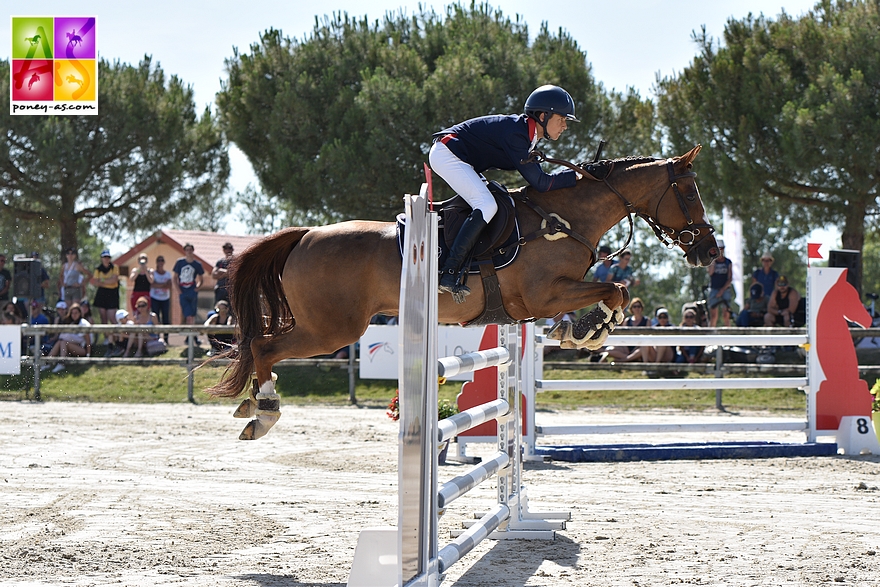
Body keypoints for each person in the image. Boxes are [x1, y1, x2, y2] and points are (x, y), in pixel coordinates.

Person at [428, 84, 582, 300]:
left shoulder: (527, 136)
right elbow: (541, 183)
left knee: (494, 202)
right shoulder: (517, 135)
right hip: (448, 154)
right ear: (543, 116)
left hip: (459, 157)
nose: (565, 126)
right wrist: (575, 175)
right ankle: (449, 272)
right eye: (562, 119)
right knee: (487, 205)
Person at [42, 303, 91, 373]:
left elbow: (88, 341)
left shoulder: (83, 323)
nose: (74, 315)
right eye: (72, 313)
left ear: (80, 313)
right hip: (73, 347)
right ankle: (48, 362)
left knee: (63, 342)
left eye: (76, 313)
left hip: (83, 350)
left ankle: (61, 363)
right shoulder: (72, 323)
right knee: (61, 342)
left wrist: (88, 355)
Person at [91, 250, 120, 351]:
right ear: (101, 258)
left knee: (112, 318)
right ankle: (107, 339)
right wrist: (108, 282)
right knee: (103, 318)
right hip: (102, 294)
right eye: (104, 257)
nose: (106, 259)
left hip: (112, 294)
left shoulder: (114, 267)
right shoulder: (98, 269)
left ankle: (118, 338)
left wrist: (102, 281)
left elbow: (114, 280)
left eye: (108, 257)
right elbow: (96, 282)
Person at [603, 297, 649, 362]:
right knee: (609, 350)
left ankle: (624, 360)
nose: (637, 308)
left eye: (639, 306)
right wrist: (626, 348)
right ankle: (632, 358)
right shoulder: (627, 320)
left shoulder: (647, 320)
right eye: (634, 306)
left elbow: (647, 337)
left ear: (642, 308)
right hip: (626, 347)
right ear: (631, 308)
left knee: (644, 349)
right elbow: (623, 337)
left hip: (640, 347)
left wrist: (635, 348)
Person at [173, 243, 205, 331]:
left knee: (192, 313)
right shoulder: (180, 262)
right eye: (187, 250)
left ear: (193, 251)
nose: (189, 252)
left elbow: (201, 279)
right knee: (187, 312)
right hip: (182, 290)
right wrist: (178, 290)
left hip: (192, 289)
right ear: (184, 251)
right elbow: (175, 278)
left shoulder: (197, 264)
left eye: (190, 250)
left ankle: (191, 335)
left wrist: (197, 288)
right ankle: (189, 333)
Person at [706, 237, 733, 327]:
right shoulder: (712, 262)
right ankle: (710, 335)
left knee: (726, 315)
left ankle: (728, 335)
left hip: (725, 289)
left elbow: (730, 278)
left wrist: (722, 290)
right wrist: (713, 259)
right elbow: (710, 273)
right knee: (713, 315)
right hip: (714, 289)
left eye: (721, 249)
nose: (719, 251)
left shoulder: (728, 262)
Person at [149, 255, 172, 343]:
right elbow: (152, 284)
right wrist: (163, 284)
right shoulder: (153, 273)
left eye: (162, 260)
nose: (160, 262)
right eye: (159, 260)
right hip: (155, 298)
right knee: (156, 318)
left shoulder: (168, 274)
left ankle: (166, 339)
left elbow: (169, 286)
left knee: (166, 319)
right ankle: (157, 337)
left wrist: (158, 284)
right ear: (157, 262)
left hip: (165, 299)